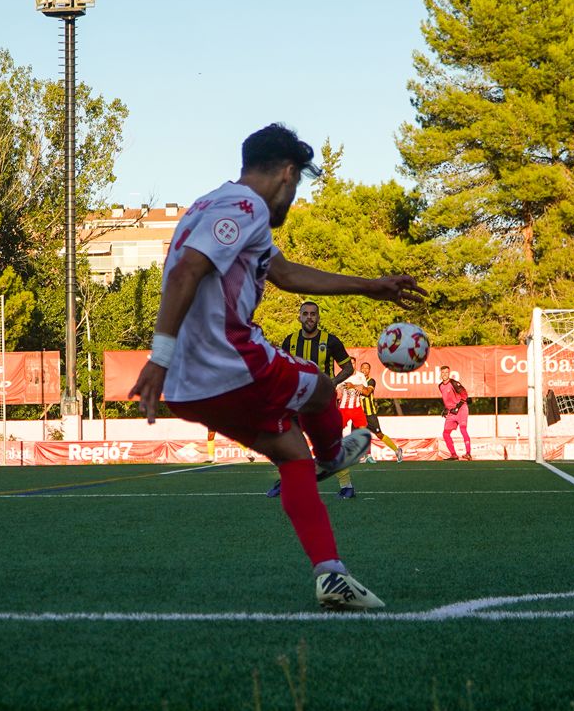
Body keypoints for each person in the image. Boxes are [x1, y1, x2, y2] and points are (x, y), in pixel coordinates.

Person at [128, 123, 425, 609]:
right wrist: (156, 358)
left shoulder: (210, 205)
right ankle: (334, 453)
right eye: (297, 185)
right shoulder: (247, 208)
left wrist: (369, 285)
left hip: (191, 385)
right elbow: (186, 271)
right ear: (287, 174)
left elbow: (284, 274)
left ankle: (331, 575)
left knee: (291, 456)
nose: (293, 198)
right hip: (229, 360)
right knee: (324, 389)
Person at [267, 301, 359, 499]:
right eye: (306, 314)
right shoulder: (289, 341)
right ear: (299, 317)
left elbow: (348, 368)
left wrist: (331, 382)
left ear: (318, 317)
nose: (309, 317)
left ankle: (347, 486)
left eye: (313, 314)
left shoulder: (331, 341)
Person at [353, 361, 404, 463]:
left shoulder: (371, 381)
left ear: (369, 370)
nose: (364, 370)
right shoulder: (356, 381)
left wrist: (356, 387)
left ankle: (397, 450)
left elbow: (367, 392)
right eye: (363, 368)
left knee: (379, 434)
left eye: (367, 368)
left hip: (370, 413)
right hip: (358, 414)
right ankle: (366, 455)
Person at [438, 366, 471, 461]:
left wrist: (457, 407)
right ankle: (453, 455)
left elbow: (464, 395)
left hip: (461, 409)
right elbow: (447, 398)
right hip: (451, 412)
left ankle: (468, 453)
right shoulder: (440, 386)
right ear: (440, 374)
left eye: (446, 372)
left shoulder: (454, 383)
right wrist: (445, 408)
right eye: (443, 372)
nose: (444, 374)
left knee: (463, 429)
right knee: (445, 433)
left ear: (449, 373)